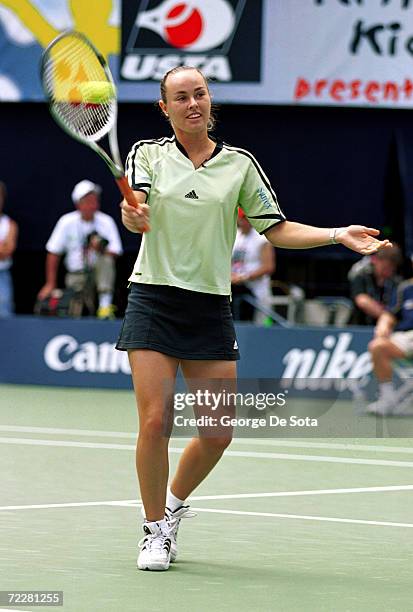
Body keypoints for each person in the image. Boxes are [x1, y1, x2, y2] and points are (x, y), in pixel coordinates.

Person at [116, 65, 390, 572]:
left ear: (209, 100)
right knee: (156, 421)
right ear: (165, 107)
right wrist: (133, 216)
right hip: (153, 297)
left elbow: (277, 229)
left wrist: (336, 234)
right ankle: (154, 530)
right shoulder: (147, 154)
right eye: (181, 97)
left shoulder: (239, 165)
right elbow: (139, 207)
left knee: (218, 433)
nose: (193, 103)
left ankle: (173, 505)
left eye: (199, 94)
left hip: (208, 305)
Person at [38, 180, 123, 319]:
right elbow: (53, 252)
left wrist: (100, 249)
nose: (92, 204)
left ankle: (105, 307)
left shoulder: (106, 221)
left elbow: (116, 251)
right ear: (78, 204)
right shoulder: (66, 221)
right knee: (72, 307)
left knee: (106, 261)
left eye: (94, 200)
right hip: (76, 275)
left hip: (98, 275)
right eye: (88, 201)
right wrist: (50, 283)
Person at [367, 269, 413, 416]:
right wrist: (383, 325)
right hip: (406, 338)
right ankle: (387, 399)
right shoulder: (405, 288)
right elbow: (389, 314)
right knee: (378, 346)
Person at [231, 208, 275, 321]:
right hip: (236, 292)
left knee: (261, 324)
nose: (246, 222)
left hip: (257, 293)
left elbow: (268, 266)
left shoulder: (262, 238)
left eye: (248, 218)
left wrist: (244, 277)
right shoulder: (234, 235)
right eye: (243, 218)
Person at [348, 245, 402, 325]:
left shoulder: (396, 282)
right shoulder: (362, 276)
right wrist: (386, 317)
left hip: (386, 329)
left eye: (391, 268)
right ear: (374, 260)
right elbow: (362, 300)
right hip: (359, 326)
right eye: (384, 267)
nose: (387, 271)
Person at [0, 181, 18, 317]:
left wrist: (4, 248)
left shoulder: (10, 224)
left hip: (2, 274)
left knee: (5, 313)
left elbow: (7, 251)